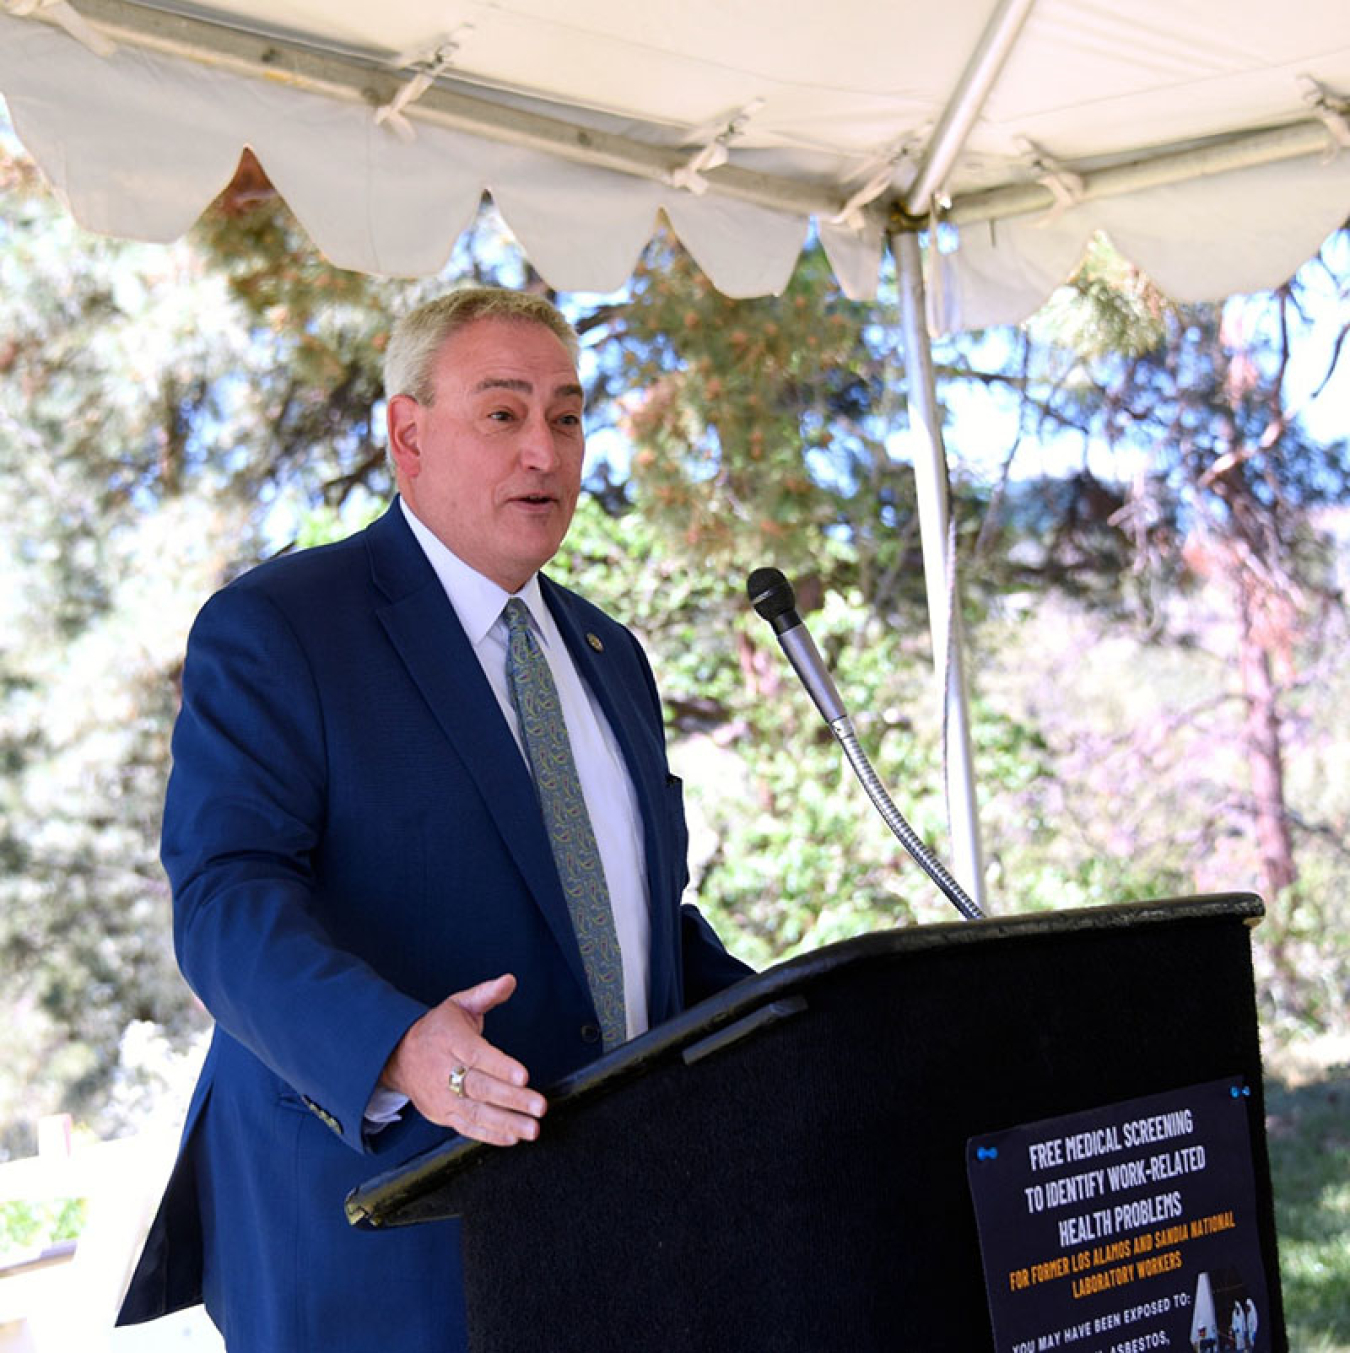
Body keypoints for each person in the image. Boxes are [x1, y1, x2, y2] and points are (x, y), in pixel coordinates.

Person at [116, 287, 750, 1349]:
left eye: (566, 414)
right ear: (409, 436)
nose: (544, 451)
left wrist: (805, 1021)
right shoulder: (282, 627)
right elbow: (226, 901)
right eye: (503, 413)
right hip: (379, 1239)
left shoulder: (610, 656)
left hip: (608, 1233)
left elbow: (632, 934)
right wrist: (396, 1046)